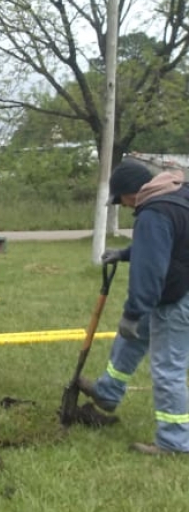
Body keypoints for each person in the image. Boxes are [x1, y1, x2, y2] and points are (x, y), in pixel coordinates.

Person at [77, 159, 189, 455]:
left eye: (122, 200)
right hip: (177, 286)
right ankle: (108, 392)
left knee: (168, 368)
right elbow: (172, 245)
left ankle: (175, 442)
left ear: (131, 192)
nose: (125, 207)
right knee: (133, 338)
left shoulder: (154, 212)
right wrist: (127, 252)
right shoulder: (177, 197)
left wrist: (134, 311)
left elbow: (150, 270)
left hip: (178, 297)